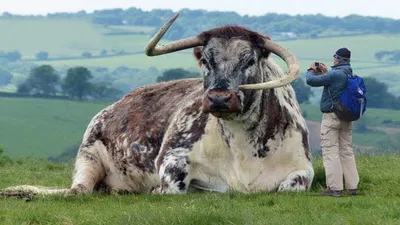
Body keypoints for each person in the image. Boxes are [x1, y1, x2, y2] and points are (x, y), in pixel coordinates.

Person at [306, 47, 359, 197]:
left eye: (335, 57)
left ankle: (335, 188)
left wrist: (310, 69)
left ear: (339, 59)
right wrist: (325, 72)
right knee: (346, 151)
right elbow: (334, 84)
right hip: (347, 117)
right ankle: (352, 187)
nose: (333, 60)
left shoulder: (336, 74)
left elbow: (311, 81)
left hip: (332, 117)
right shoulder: (349, 73)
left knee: (331, 152)